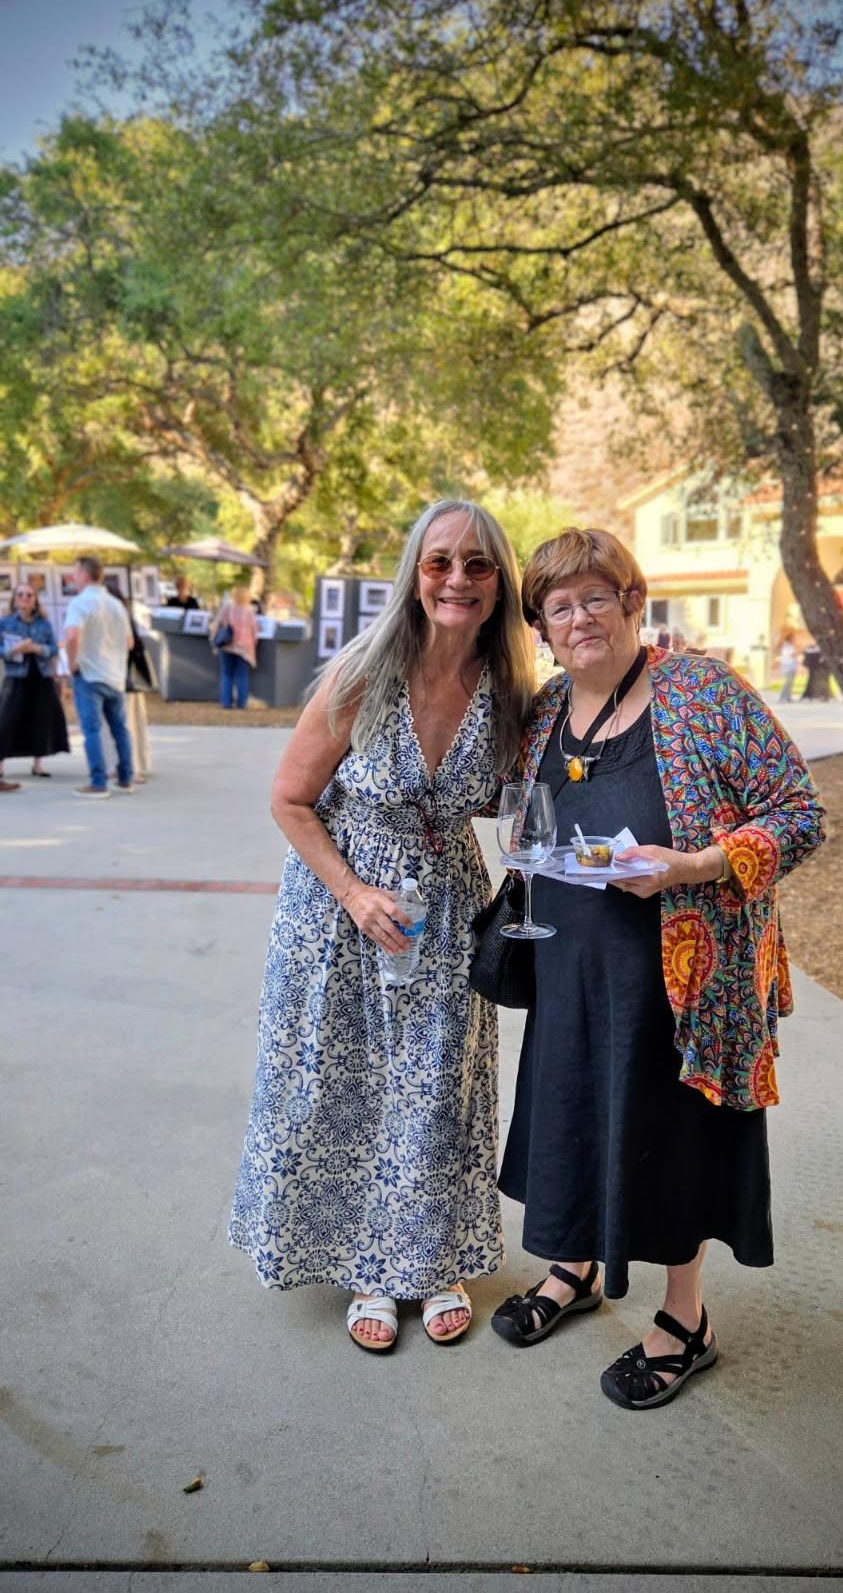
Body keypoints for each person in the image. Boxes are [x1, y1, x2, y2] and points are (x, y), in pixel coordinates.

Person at [491, 528, 825, 1409]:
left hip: (685, 980)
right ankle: (573, 1269)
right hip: (569, 968)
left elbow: (800, 812)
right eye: (558, 607)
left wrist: (695, 865)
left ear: (632, 602)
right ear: (541, 629)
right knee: (572, 1112)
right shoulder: (546, 711)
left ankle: (686, 1320)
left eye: (596, 597)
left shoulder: (703, 692)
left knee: (675, 1141)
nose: (579, 618)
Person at [228, 499, 534, 1351]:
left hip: (448, 908)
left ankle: (432, 1261)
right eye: (440, 561)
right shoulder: (364, 672)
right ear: (414, 574)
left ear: (499, 583)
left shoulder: (508, 689)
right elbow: (290, 800)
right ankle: (368, 1266)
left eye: (477, 563)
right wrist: (357, 894)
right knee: (349, 1084)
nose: (457, 579)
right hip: (339, 909)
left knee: (438, 1085)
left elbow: (509, 800)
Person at [63, 556, 134, 800]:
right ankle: (125, 778)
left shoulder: (79, 603)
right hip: (115, 674)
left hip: (89, 674)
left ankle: (98, 782)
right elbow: (129, 641)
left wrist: (72, 662)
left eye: (75, 572)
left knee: (91, 731)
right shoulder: (117, 605)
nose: (73, 577)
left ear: (84, 574)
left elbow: (71, 636)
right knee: (120, 729)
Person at [0, 584, 70, 792]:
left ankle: (38, 764)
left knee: (41, 719)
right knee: (7, 720)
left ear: (35, 600)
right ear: (14, 600)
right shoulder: (5, 622)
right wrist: (15, 649)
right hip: (16, 676)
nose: (25, 598)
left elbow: (53, 648)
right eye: (20, 594)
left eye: (29, 595)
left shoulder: (44, 624)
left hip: (41, 676)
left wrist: (37, 649)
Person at [107, 586, 156, 783]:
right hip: (112, 678)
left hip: (126, 680)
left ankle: (134, 766)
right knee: (113, 725)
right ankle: (115, 764)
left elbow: (133, 648)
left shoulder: (124, 621)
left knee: (129, 725)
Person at [210, 585, 257, 709]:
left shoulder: (228, 608)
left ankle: (226, 703)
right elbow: (254, 631)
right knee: (242, 676)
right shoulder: (250, 611)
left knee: (226, 675)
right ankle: (241, 703)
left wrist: (214, 641)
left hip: (227, 646)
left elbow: (216, 624)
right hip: (245, 649)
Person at [777, 626, 799, 702]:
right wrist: (797, 652)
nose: (794, 640)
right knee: (787, 682)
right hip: (787, 666)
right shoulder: (786, 646)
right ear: (790, 639)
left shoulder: (791, 646)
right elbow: (790, 655)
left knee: (790, 683)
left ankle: (788, 697)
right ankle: (782, 697)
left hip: (792, 666)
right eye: (793, 638)